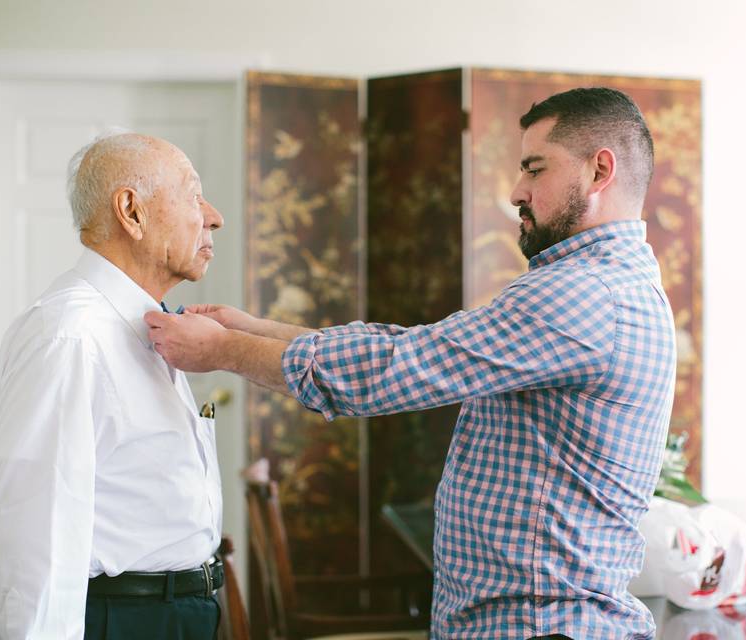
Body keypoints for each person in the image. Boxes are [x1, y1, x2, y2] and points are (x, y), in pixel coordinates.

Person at [146, 87, 677, 640]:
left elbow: (397, 367)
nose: (517, 190)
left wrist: (222, 351)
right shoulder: (604, 286)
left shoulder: (583, 294)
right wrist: (254, 329)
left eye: (534, 169)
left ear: (599, 172)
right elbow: (409, 344)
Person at [0, 131, 226, 639]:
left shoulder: (141, 325)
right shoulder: (69, 335)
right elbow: (32, 537)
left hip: (176, 616)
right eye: (193, 194)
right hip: (127, 622)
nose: (213, 215)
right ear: (131, 212)